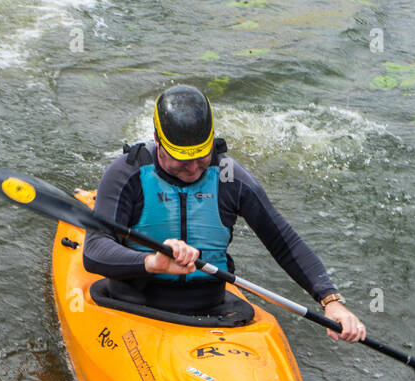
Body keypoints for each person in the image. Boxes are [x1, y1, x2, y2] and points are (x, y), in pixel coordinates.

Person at [82, 85, 366, 343]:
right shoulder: (127, 174)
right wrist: (153, 262)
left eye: (201, 156)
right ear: (158, 141)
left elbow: (284, 242)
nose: (193, 169)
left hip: (210, 310)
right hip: (133, 304)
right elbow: (94, 251)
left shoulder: (230, 177)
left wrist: (331, 300)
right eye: (182, 159)